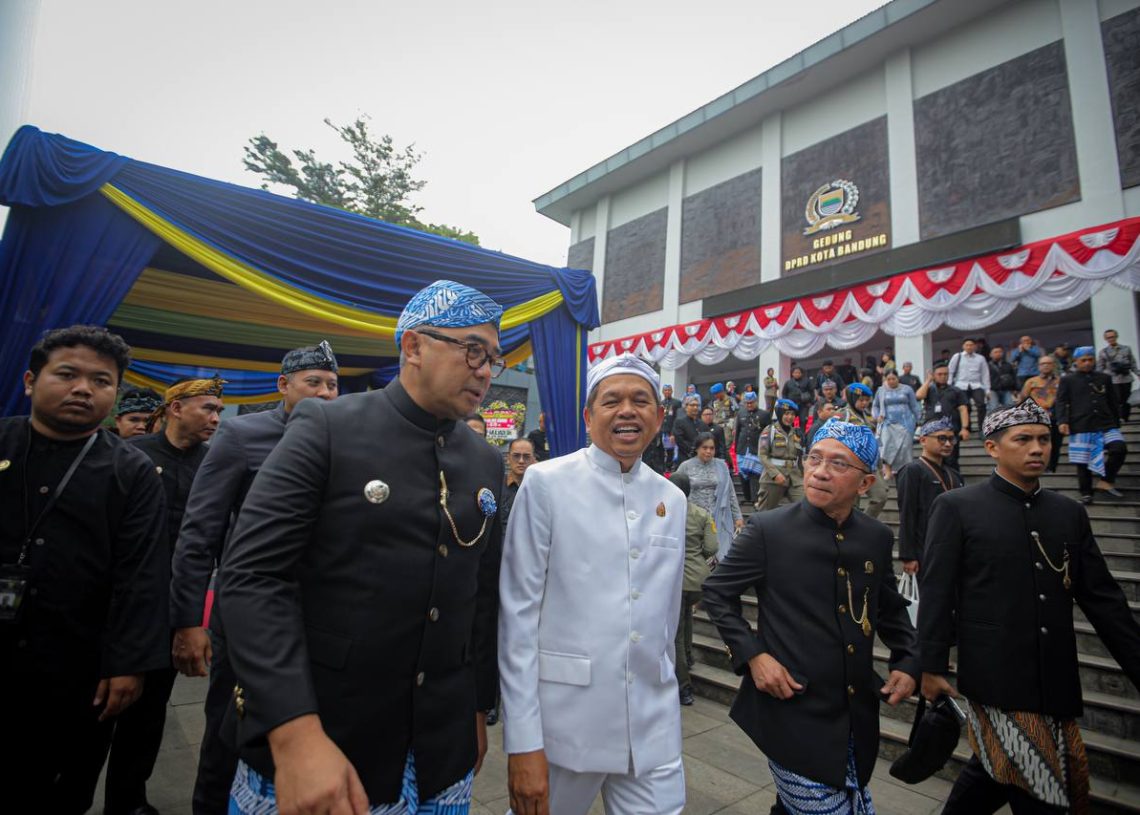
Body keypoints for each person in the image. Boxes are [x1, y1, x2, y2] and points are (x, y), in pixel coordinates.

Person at [219, 280, 505, 813]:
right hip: (329, 741)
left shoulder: (485, 459)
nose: (486, 370)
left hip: (441, 751)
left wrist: (475, 711)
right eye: (472, 350)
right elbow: (252, 577)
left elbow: (480, 597)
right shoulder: (328, 426)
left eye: (493, 358)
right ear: (414, 346)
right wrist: (294, 732)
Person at [920, 400, 1140, 814]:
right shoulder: (957, 507)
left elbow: (1104, 600)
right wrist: (930, 666)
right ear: (992, 447)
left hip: (1054, 677)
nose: (1037, 448)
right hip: (995, 677)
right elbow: (936, 591)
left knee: (996, 775)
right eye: (1023, 439)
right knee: (1041, 787)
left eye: (1044, 439)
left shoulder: (1068, 513)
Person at [500, 353, 688, 815]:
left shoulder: (672, 498)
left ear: (659, 417)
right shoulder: (546, 483)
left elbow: (666, 618)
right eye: (612, 401)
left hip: (652, 727)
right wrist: (522, 741)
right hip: (566, 725)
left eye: (640, 401)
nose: (627, 411)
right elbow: (518, 616)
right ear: (588, 417)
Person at [703, 419, 919, 815]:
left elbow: (887, 606)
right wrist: (754, 656)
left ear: (866, 483)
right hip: (790, 708)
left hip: (854, 713)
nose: (820, 471)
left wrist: (908, 659)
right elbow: (717, 591)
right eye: (815, 459)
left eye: (838, 464)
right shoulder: (768, 529)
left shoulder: (875, 536)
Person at [0, 325, 169, 814]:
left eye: (101, 381)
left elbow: (143, 573)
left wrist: (128, 663)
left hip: (78, 665)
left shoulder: (132, 471)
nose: (83, 389)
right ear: (31, 381)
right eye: (67, 374)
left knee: (63, 788)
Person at [170, 342, 340, 814]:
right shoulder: (244, 435)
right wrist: (188, 621)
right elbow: (200, 531)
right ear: (283, 385)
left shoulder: (345, 438)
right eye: (313, 383)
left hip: (318, 615)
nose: (325, 393)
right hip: (246, 614)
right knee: (229, 729)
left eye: (332, 385)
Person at [98, 376, 225, 815]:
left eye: (219, 411)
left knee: (148, 715)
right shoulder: (131, 456)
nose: (215, 418)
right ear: (175, 408)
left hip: (171, 608)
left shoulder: (213, 464)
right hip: (114, 606)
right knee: (97, 712)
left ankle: (128, 801)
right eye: (207, 408)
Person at [667, 469, 719, 707]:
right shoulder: (702, 514)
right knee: (687, 616)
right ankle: (688, 658)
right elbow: (712, 548)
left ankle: (683, 687)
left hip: (675, 579)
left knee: (675, 634)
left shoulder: (663, 513)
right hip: (699, 580)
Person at [1057, 345, 1127, 504]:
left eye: (1090, 359)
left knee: (1119, 449)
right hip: (1081, 423)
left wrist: (1117, 420)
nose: (1087, 363)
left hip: (1106, 423)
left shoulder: (1104, 378)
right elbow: (1061, 401)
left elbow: (1112, 401)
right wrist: (1062, 421)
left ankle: (1106, 480)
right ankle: (1086, 492)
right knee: (1083, 461)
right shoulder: (1068, 379)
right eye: (1084, 360)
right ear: (1076, 361)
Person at [895, 418, 964, 575]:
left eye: (951, 439)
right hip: (924, 549)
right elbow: (907, 513)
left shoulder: (954, 475)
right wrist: (908, 555)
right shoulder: (912, 471)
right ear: (923, 440)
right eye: (941, 438)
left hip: (952, 548)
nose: (948, 444)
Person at [677, 431, 744, 560]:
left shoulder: (722, 466)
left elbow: (730, 493)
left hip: (717, 516)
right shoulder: (685, 467)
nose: (708, 451)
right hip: (693, 519)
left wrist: (738, 517)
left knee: (718, 551)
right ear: (697, 448)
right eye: (705, 448)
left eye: (712, 448)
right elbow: (677, 491)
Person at [840, 384, 888, 519]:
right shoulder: (844, 414)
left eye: (867, 400)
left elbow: (873, 442)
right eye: (861, 400)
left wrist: (880, 465)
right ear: (852, 398)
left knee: (880, 497)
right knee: (852, 503)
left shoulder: (867, 416)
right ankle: (851, 527)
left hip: (869, 464)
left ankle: (865, 523)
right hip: (851, 464)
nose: (864, 403)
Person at [915, 362, 971, 471]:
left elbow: (963, 409)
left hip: (950, 430)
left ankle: (953, 479)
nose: (943, 376)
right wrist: (928, 380)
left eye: (946, 374)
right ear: (934, 375)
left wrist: (965, 428)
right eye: (939, 374)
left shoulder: (956, 390)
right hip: (932, 431)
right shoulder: (929, 389)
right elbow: (919, 396)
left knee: (951, 460)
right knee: (931, 458)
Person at [871, 369, 922, 481]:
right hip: (887, 423)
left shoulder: (907, 389)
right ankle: (888, 471)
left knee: (905, 448)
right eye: (888, 379)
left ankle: (905, 472)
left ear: (897, 378)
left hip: (905, 423)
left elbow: (914, 405)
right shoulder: (881, 391)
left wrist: (919, 419)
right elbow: (875, 406)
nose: (891, 381)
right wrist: (877, 416)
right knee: (886, 447)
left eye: (893, 379)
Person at [758, 399, 805, 513]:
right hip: (773, 477)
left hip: (795, 477)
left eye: (792, 414)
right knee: (765, 513)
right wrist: (775, 474)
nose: (790, 417)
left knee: (806, 507)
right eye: (786, 414)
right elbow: (762, 455)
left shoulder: (796, 433)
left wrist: (804, 475)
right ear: (780, 414)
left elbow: (800, 457)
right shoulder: (770, 431)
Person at [1021, 355, 1063, 473]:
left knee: (1055, 444)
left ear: (1053, 365)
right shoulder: (1031, 382)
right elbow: (1023, 399)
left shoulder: (1060, 381)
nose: (1045, 366)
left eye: (1048, 363)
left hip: (1055, 417)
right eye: (1043, 364)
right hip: (1036, 418)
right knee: (1036, 443)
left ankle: (1051, 467)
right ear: (1039, 366)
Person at [734, 392, 771, 506]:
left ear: (756, 402)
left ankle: (755, 499)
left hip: (756, 448)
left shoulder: (764, 414)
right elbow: (738, 431)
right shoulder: (741, 413)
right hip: (743, 448)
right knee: (742, 474)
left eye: (751, 403)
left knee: (754, 474)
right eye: (747, 403)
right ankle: (747, 497)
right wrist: (736, 448)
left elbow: (769, 433)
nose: (749, 405)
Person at [948, 338, 990, 433]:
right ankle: (967, 428)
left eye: (971, 345)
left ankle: (982, 429)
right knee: (965, 407)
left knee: (981, 405)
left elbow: (985, 374)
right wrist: (949, 385)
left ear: (975, 346)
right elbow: (950, 371)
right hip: (961, 385)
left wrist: (987, 389)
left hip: (977, 385)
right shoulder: (957, 356)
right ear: (963, 346)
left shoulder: (980, 358)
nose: (969, 347)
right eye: (967, 345)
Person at [1098, 328, 1137, 423]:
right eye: (1108, 338)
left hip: (1126, 378)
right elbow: (1100, 367)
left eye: (1112, 337)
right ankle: (1118, 417)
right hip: (1112, 379)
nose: (1111, 339)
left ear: (1116, 336)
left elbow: (1132, 363)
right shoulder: (1103, 352)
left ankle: (1125, 417)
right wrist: (1098, 380)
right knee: (1116, 399)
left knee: (1126, 399)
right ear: (1106, 339)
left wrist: (1138, 373)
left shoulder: (1126, 349)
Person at [501, 436, 536, 531]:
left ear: (533, 459)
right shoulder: (497, 487)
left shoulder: (540, 489)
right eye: (516, 456)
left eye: (526, 456)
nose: (521, 461)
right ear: (508, 458)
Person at [987, 345, 1017, 412]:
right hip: (993, 390)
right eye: (995, 352)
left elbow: (1013, 376)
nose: (998, 353)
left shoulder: (1008, 365)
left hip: (1006, 389)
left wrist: (1015, 389)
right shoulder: (987, 366)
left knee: (1010, 408)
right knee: (993, 408)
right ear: (990, 354)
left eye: (1000, 352)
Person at [673, 395, 703, 461]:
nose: (695, 407)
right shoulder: (680, 422)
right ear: (686, 407)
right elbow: (680, 441)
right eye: (692, 405)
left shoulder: (702, 423)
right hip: (686, 458)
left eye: (697, 405)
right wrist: (693, 451)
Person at [660, 385, 682, 468]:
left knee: (672, 451)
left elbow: (678, 418)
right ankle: (664, 467)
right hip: (662, 431)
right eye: (665, 390)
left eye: (669, 390)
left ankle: (670, 467)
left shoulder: (677, 403)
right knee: (662, 451)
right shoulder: (661, 403)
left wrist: (673, 433)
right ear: (663, 392)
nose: (667, 392)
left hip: (672, 431)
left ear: (672, 391)